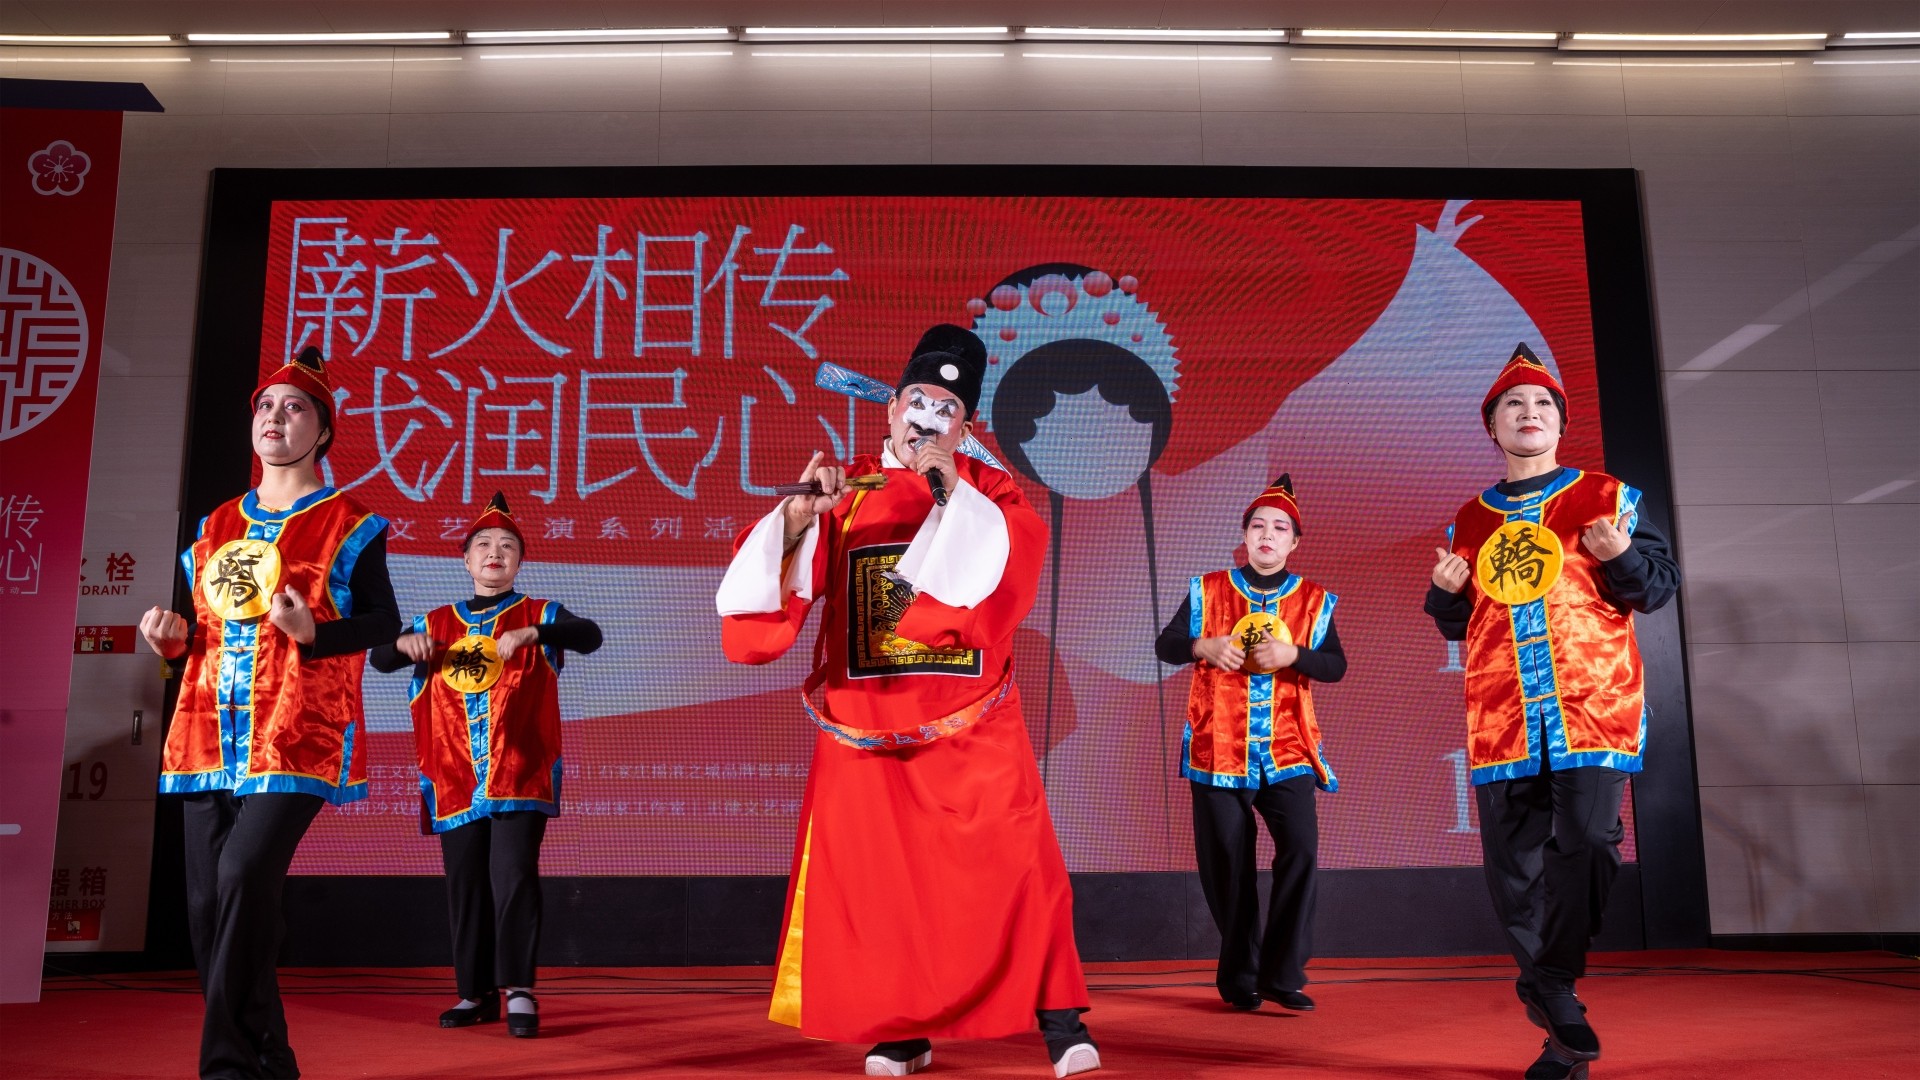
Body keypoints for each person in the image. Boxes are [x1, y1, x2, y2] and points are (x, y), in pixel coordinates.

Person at [715, 325, 1099, 1078]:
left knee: (1020, 866)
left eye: (947, 410)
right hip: (866, 726)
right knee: (880, 887)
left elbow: (1012, 562)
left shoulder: (991, 490)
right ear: (890, 408)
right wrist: (797, 517)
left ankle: (1060, 1019)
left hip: (971, 728)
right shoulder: (847, 490)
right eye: (917, 402)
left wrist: (950, 487)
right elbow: (771, 603)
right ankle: (901, 1029)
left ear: (964, 425)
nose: (927, 419)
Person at [142, 346, 399, 1080]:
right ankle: (270, 1058)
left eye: (294, 408)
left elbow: (384, 622)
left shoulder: (350, 523)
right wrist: (170, 646)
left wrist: (314, 632)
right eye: (264, 406)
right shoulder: (215, 525)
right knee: (207, 906)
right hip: (206, 730)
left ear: (323, 430)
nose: (274, 418)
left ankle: (226, 1066)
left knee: (243, 876)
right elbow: (201, 631)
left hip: (296, 729)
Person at [1425, 344, 1680, 1080]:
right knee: (1515, 872)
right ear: (1493, 427)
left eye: (1542, 404)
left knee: (1592, 843)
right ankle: (1562, 1032)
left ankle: (1551, 981)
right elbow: (1460, 622)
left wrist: (1621, 554)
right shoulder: (1469, 519)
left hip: (1590, 704)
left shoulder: (1608, 497)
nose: (1528, 413)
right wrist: (1443, 595)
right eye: (1513, 404)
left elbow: (1656, 588)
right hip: (1503, 712)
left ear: (1561, 424)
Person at [368, 492, 602, 1039]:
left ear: (519, 562)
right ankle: (475, 993)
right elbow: (380, 659)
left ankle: (519, 989)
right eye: (483, 545)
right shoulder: (436, 621)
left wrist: (536, 634)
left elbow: (589, 636)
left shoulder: (540, 613)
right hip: (453, 775)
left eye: (507, 546)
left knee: (513, 877)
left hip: (519, 770)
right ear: (466, 560)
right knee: (465, 884)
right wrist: (406, 646)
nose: (494, 553)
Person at [1154, 474, 1347, 1013]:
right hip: (1219, 746)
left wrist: (1294, 656)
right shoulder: (1209, 589)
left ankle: (1283, 974)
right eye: (1258, 526)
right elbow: (1167, 645)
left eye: (1280, 528)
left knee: (1300, 849)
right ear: (1244, 536)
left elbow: (1335, 666)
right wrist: (1202, 646)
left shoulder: (1314, 600)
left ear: (1294, 542)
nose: (1267, 535)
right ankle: (1241, 975)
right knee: (1228, 866)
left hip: (1287, 748)